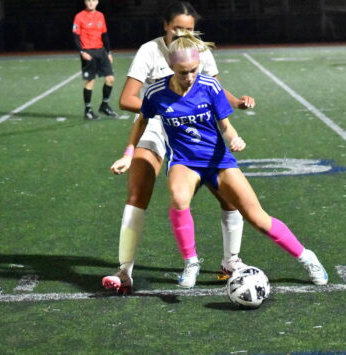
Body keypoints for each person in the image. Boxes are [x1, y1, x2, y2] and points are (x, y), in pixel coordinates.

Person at [110, 30, 328, 289]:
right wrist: (128, 154)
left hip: (218, 160)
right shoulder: (156, 92)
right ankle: (191, 262)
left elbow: (225, 126)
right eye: (182, 72)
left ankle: (307, 257)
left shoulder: (209, 87)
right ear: (170, 66)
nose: (189, 77)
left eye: (193, 69)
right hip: (184, 161)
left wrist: (234, 137)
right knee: (179, 198)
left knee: (258, 218)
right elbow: (142, 122)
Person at [102, 1, 255, 294]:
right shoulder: (150, 50)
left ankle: (230, 262)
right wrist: (168, 108)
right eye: (177, 28)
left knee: (228, 194)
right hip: (157, 123)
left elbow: (214, 88)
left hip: (195, 128)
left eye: (189, 28)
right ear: (165, 26)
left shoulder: (200, 50)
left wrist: (235, 102)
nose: (183, 32)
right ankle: (125, 271)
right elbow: (126, 98)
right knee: (138, 192)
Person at [72, 0, 119, 120]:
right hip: (88, 52)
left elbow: (104, 35)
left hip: (101, 52)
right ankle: (88, 110)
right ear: (85, 2)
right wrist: (82, 52)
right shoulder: (79, 17)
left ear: (97, 2)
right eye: (88, 1)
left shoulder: (100, 16)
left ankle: (105, 105)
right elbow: (76, 36)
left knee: (110, 79)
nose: (91, 3)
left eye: (93, 0)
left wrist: (109, 52)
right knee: (90, 81)